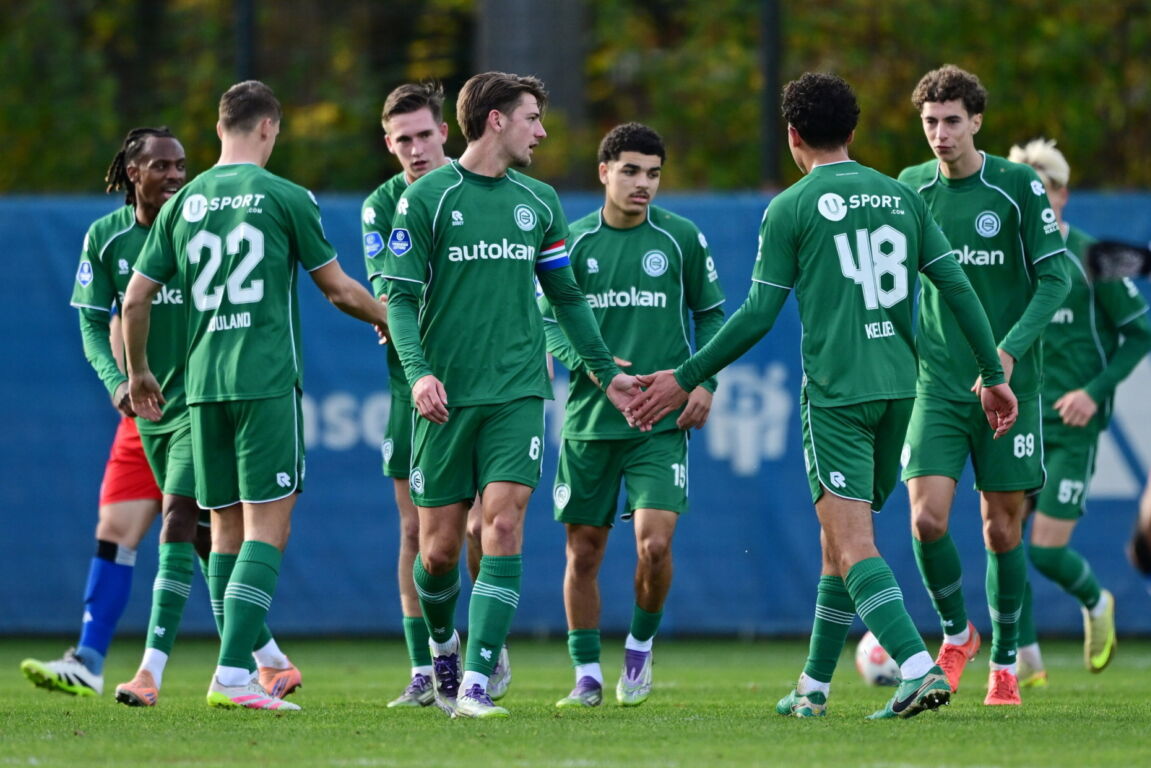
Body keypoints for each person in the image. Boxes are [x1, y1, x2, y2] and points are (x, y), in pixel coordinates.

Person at [626, 72, 1017, 720]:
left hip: (838, 396)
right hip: (902, 393)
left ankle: (917, 667)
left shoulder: (791, 206)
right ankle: (812, 685)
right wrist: (993, 374)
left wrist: (685, 375)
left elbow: (755, 314)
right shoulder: (900, 195)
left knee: (853, 544)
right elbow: (956, 287)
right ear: (853, 132)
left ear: (791, 135)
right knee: (838, 542)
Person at [122, 80, 389, 712]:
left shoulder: (182, 204)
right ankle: (234, 676)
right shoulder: (286, 196)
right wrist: (392, 322)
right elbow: (341, 290)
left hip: (202, 391)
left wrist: (137, 374)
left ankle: (239, 674)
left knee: (226, 533)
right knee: (268, 530)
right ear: (269, 128)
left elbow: (135, 299)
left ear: (220, 129)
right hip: (264, 386)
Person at [381, 71, 639, 719]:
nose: (542, 132)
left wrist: (605, 372)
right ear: (496, 120)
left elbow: (567, 297)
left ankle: (472, 684)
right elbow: (401, 300)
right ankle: (442, 641)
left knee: (502, 524)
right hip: (444, 397)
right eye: (531, 118)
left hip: (519, 391)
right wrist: (418, 374)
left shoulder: (539, 201)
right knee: (437, 552)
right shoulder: (426, 199)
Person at [897, 65, 1071, 706]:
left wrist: (1007, 353)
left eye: (951, 121)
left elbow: (1056, 281)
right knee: (925, 520)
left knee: (1002, 530)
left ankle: (1003, 659)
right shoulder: (910, 189)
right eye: (929, 123)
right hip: (939, 386)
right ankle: (955, 634)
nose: (940, 135)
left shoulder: (1018, 187)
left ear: (976, 121)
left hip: (1011, 390)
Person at [541, 122, 725, 708]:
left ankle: (639, 653)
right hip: (592, 423)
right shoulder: (570, 243)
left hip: (659, 423)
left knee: (654, 546)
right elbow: (548, 322)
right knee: (584, 551)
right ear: (604, 172)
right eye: (630, 171)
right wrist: (596, 369)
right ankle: (587, 674)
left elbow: (714, 316)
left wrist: (704, 380)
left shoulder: (681, 239)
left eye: (652, 173)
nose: (643, 184)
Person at [361, 81, 511, 707]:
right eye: (403, 140)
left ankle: (485, 649)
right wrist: (394, 317)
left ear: (446, 132)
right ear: (388, 144)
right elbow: (387, 292)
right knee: (417, 536)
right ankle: (427, 664)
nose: (416, 149)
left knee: (486, 522)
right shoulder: (385, 203)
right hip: (413, 387)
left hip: (488, 383)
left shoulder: (487, 192)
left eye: (425, 134)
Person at [1006, 138, 1151, 685]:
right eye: (1025, 191)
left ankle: (1096, 600)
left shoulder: (1092, 259)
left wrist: (1094, 391)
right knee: (1004, 538)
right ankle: (1025, 660)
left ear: (1063, 195)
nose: (1036, 200)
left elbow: (1140, 334)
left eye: (1044, 189)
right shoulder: (1006, 263)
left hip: (1071, 428)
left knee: (1043, 552)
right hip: (1015, 420)